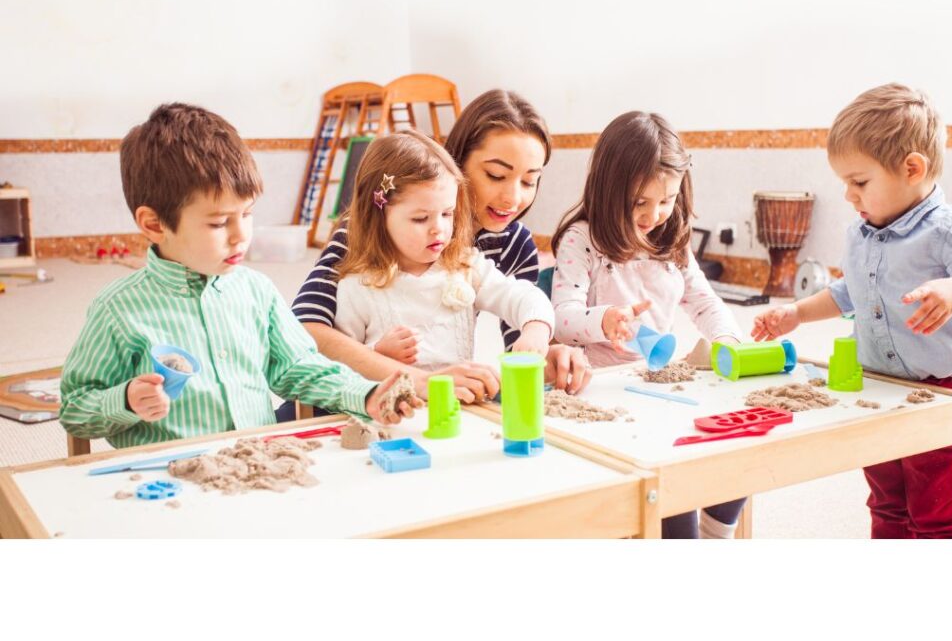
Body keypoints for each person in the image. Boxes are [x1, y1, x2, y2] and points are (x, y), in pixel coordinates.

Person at [60, 103, 416, 449]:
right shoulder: (118, 309)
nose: (240, 235)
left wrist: (364, 394)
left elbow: (300, 366)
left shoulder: (256, 291)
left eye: (247, 214)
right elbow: (75, 409)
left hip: (254, 462)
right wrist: (124, 400)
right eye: (218, 223)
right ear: (154, 224)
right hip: (168, 480)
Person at [752, 83, 952, 538]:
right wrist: (796, 314)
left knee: (938, 518)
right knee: (888, 506)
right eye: (845, 184)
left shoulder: (949, 229)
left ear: (912, 169)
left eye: (859, 182)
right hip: (880, 393)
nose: (848, 196)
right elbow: (849, 292)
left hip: (945, 398)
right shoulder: (861, 233)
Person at [288, 89, 590, 407]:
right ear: (455, 164)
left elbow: (520, 334)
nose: (513, 198)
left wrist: (546, 351)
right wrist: (412, 377)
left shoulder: (495, 253)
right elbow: (307, 335)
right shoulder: (365, 238)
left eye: (529, 181)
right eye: (496, 175)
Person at [551, 110, 747, 539]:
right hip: (605, 393)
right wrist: (605, 320)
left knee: (741, 445)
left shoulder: (671, 242)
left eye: (667, 199)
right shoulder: (583, 240)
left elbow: (705, 302)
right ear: (609, 187)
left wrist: (727, 340)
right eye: (640, 201)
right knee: (668, 489)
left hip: (658, 383)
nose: (655, 213)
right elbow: (561, 319)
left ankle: (717, 530)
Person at [330, 131, 555, 374]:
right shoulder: (358, 286)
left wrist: (536, 328)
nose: (439, 228)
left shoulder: (465, 266)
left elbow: (521, 296)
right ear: (380, 218)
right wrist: (376, 353)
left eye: (447, 214)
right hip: (392, 409)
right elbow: (338, 370)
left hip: (456, 406)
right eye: (420, 218)